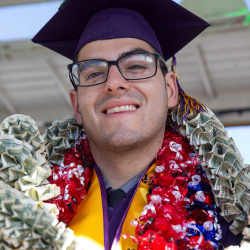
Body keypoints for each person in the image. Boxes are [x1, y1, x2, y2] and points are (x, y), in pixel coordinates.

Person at [32, 0, 246, 249]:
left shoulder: (231, 219)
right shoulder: (26, 212)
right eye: (94, 73)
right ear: (77, 106)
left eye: (135, 66)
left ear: (170, 90)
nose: (114, 82)